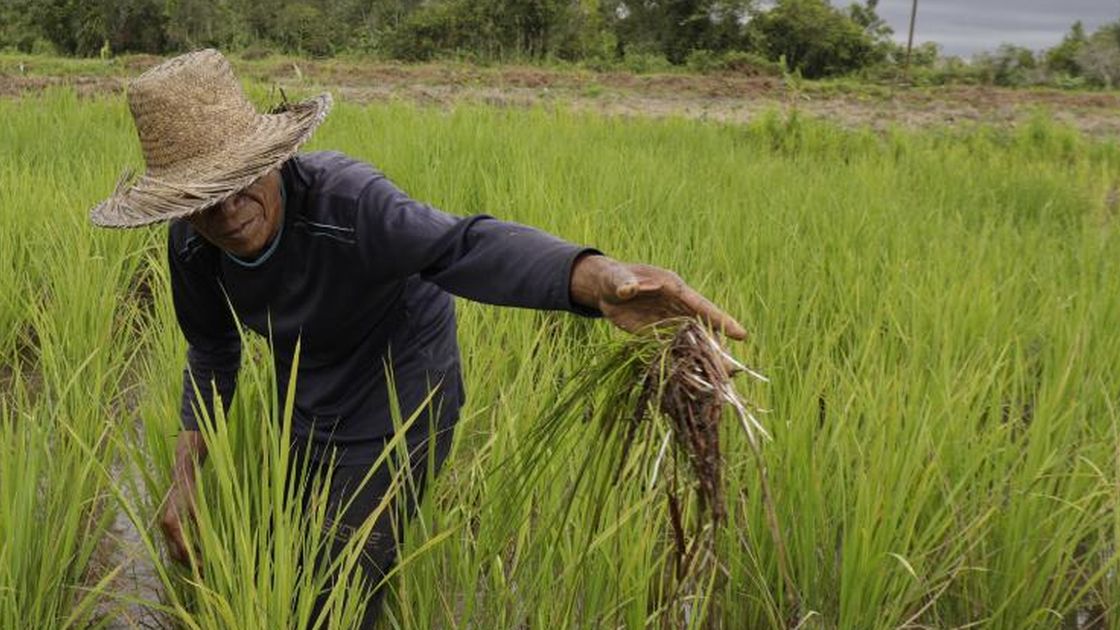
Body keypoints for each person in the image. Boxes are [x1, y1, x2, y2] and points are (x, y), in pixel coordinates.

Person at [89, 49, 746, 628]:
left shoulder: (348, 205)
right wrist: (184, 476)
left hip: (406, 392)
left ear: (272, 156)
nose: (227, 209)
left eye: (240, 180)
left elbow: (463, 245)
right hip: (311, 386)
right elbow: (211, 351)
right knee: (296, 537)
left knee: (345, 578)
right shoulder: (193, 248)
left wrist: (595, 277)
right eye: (201, 197)